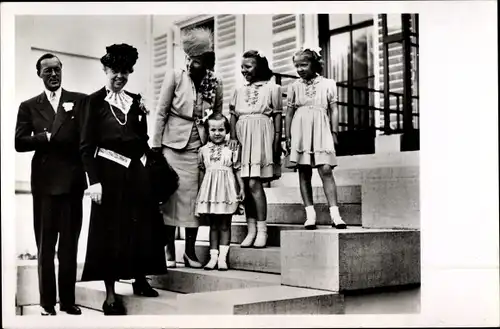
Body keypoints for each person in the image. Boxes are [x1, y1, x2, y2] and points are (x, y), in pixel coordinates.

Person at [79, 44, 167, 315]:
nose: (120, 76)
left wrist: (148, 170)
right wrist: (93, 182)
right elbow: (85, 146)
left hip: (135, 172)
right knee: (110, 232)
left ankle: (140, 280)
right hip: (107, 174)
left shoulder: (136, 100)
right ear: (105, 70)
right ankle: (110, 294)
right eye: (115, 71)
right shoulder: (92, 102)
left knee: (142, 226)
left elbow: (143, 139)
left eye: (125, 72)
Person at [15, 53, 87, 316]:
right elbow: (19, 142)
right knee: (46, 245)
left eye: (57, 70)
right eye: (48, 71)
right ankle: (47, 303)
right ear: (39, 75)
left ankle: (67, 301)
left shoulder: (78, 101)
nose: (54, 75)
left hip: (72, 183)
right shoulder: (29, 106)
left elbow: (86, 138)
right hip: (45, 184)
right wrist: (43, 138)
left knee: (70, 243)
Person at [152, 28, 223, 268]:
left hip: (198, 147)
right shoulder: (175, 76)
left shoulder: (215, 81)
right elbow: (161, 112)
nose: (195, 65)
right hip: (172, 145)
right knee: (170, 198)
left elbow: (218, 115)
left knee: (194, 201)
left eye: (200, 61)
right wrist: (155, 145)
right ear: (188, 58)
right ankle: (169, 251)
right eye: (193, 60)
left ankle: (189, 252)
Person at [284, 45, 347, 230]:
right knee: (304, 171)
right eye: (297, 66)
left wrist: (334, 132)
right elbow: (289, 112)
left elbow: (334, 109)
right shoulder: (294, 86)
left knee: (326, 169)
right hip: (300, 128)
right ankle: (310, 214)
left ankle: (335, 214)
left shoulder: (328, 84)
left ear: (315, 63)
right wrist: (287, 136)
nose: (300, 69)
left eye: (303, 64)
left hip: (321, 128)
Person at [228, 50, 283, 248]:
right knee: (244, 184)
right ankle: (250, 230)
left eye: (248, 67)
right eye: (242, 67)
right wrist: (233, 136)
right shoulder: (238, 91)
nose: (244, 71)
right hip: (242, 139)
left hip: (261, 137)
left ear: (258, 67)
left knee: (254, 183)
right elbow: (233, 115)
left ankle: (262, 230)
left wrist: (277, 141)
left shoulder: (272, 88)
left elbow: (277, 116)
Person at [194, 113, 245, 271]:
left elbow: (237, 170)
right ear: (208, 131)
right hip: (210, 192)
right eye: (213, 130)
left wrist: (241, 188)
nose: (217, 133)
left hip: (227, 191)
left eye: (221, 129)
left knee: (225, 225)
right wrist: (200, 194)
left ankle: (223, 258)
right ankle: (213, 257)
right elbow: (202, 173)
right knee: (213, 226)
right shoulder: (203, 151)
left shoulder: (231, 149)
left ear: (227, 130)